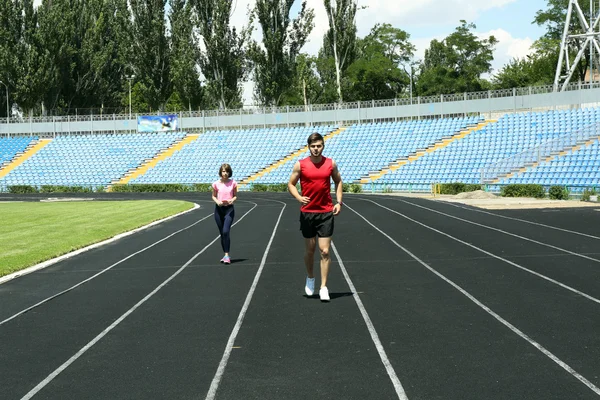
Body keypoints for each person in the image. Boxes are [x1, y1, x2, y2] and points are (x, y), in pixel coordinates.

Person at [288, 132, 343, 302]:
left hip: (325, 212)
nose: (316, 149)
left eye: (319, 146)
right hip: (307, 213)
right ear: (309, 147)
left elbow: (338, 181)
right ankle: (310, 277)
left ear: (323, 146)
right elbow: (291, 184)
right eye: (313, 146)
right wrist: (298, 197)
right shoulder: (301, 165)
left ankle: (324, 287)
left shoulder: (330, 163)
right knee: (310, 251)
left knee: (325, 251)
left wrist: (339, 202)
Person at [212, 163, 238, 264]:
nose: (225, 173)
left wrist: (232, 200)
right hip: (219, 210)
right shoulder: (216, 184)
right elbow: (213, 196)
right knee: (222, 233)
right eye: (223, 171)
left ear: (229, 172)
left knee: (226, 231)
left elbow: (235, 195)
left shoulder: (233, 183)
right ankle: (225, 254)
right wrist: (217, 201)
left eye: (227, 171)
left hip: (229, 210)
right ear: (220, 172)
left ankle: (227, 255)